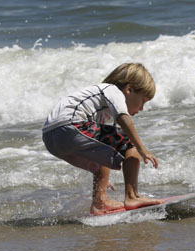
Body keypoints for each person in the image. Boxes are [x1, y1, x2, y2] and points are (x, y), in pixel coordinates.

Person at [42, 63, 163, 215]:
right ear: (129, 89)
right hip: (70, 125)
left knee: (102, 152)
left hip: (51, 138)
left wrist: (103, 181)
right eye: (143, 101)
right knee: (128, 143)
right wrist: (141, 148)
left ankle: (99, 203)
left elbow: (99, 141)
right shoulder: (112, 90)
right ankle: (133, 196)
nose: (141, 108)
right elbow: (122, 118)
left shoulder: (98, 101)